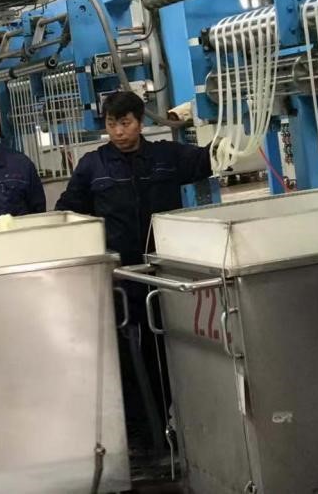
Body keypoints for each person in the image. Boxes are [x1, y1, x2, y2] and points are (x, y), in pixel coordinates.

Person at [55, 91, 212, 467]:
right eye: (111, 124)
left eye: (124, 123)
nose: (118, 132)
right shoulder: (93, 166)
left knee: (166, 352)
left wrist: (219, 123)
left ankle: (172, 426)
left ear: (140, 122)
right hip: (120, 280)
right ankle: (140, 433)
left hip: (164, 276)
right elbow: (68, 210)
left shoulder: (166, 157)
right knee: (127, 357)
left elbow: (210, 159)